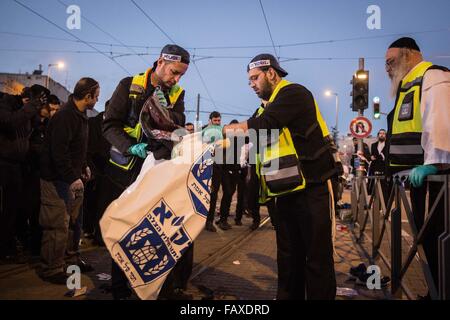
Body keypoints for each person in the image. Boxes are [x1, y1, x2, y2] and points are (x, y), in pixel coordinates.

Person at [223, 54, 341, 299]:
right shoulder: (262, 109)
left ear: (272, 74)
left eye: (255, 78)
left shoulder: (294, 93)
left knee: (316, 257)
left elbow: (268, 123)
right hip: (284, 193)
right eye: (249, 81)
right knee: (288, 259)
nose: (252, 84)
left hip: (312, 187)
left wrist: (227, 129)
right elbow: (252, 147)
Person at [101, 44, 193, 300]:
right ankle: (120, 290)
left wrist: (168, 111)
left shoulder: (176, 93)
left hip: (156, 171)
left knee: (157, 232)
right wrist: (132, 148)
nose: (176, 79)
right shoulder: (129, 86)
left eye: (181, 76)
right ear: (160, 62)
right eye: (174, 72)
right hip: (125, 170)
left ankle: (160, 288)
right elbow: (109, 126)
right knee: (123, 229)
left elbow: (177, 128)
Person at [384, 37, 450, 299]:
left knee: (438, 239)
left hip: (440, 178)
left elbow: (440, 121)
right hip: (420, 180)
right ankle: (434, 291)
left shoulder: (432, 76)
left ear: (409, 55)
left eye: (391, 62)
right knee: (428, 240)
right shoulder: (407, 86)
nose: (387, 69)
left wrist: (434, 164)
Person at [39, 78, 99, 283]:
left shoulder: (81, 115)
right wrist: (72, 176)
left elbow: (77, 147)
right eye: (96, 95)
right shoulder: (65, 116)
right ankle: (52, 268)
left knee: (74, 223)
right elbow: (59, 152)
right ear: (88, 95)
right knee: (57, 225)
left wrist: (83, 166)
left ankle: (71, 260)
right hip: (56, 180)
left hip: (73, 178)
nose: (98, 99)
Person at [0, 85, 49, 262]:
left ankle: (7, 247)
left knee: (12, 210)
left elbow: (34, 130)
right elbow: (9, 122)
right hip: (4, 163)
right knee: (4, 209)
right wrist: (31, 107)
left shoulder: (29, 112)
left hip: (18, 166)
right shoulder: (7, 103)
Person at [204, 111, 224, 232]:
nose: (217, 122)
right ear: (210, 120)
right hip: (205, 166)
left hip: (218, 167)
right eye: (215, 120)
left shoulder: (223, 131)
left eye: (218, 120)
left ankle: (209, 221)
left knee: (214, 194)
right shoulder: (203, 131)